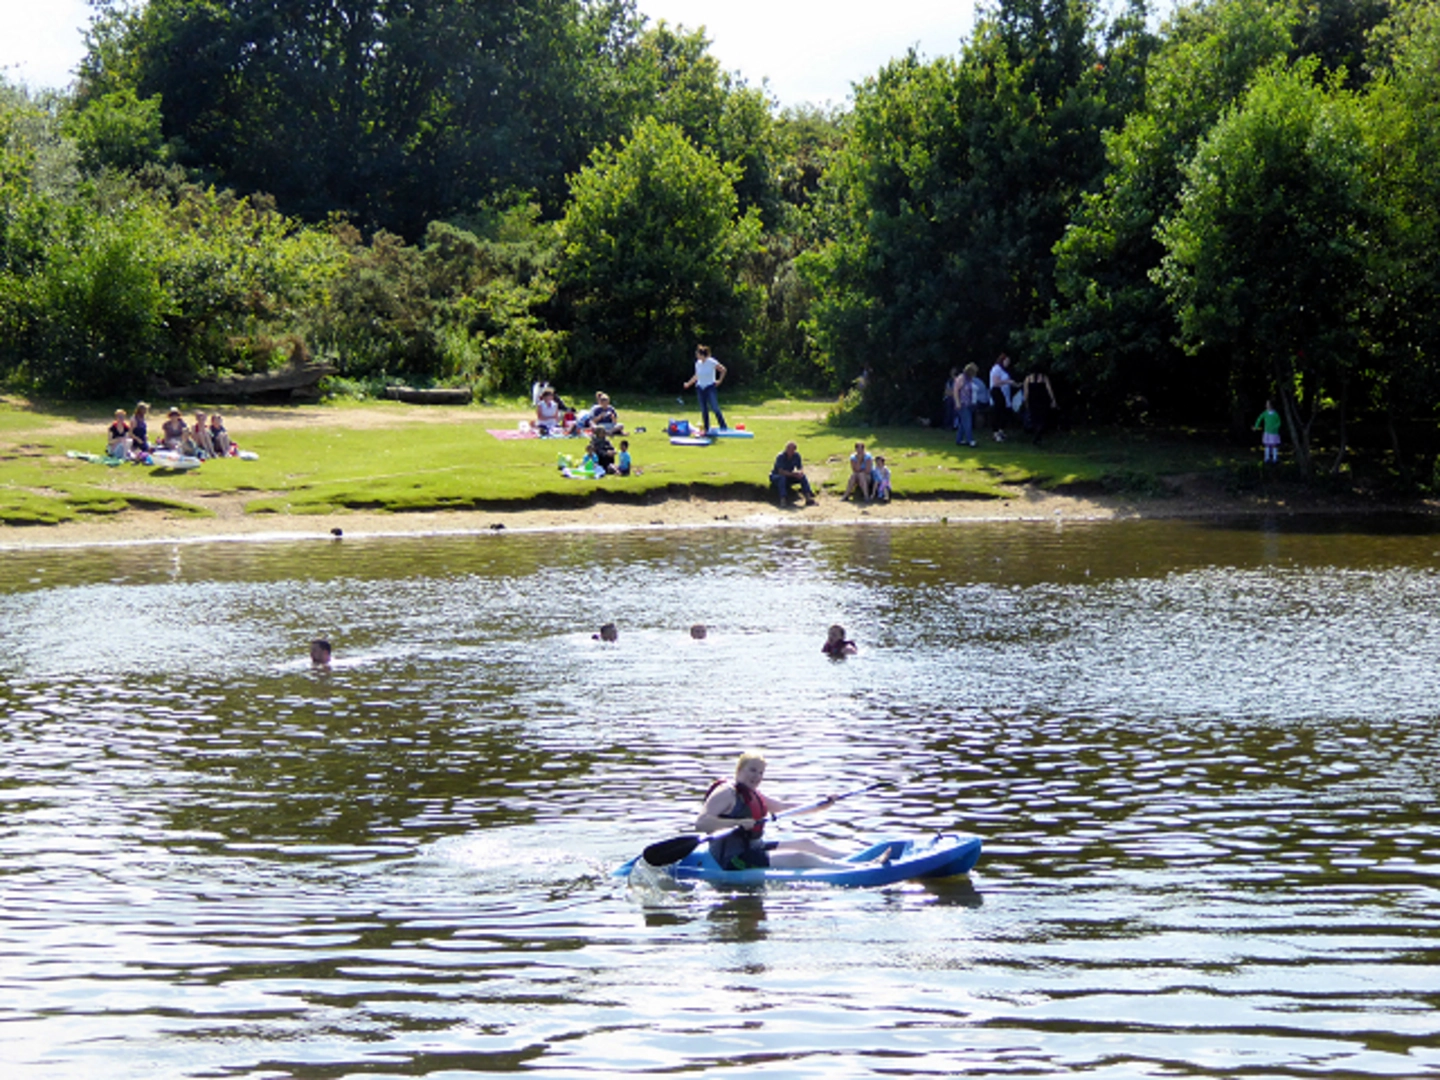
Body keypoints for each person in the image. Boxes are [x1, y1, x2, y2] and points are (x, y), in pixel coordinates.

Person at [697, 751, 850, 870]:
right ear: (739, 770)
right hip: (731, 859)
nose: (757, 776)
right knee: (799, 857)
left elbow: (784, 808)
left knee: (806, 843)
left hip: (754, 848)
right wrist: (737, 823)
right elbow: (701, 823)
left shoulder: (752, 794)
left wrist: (823, 805)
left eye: (761, 773)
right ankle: (849, 870)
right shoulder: (726, 792)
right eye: (752, 770)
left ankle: (853, 859)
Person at [682, 344, 728, 433]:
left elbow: (723, 370)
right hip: (700, 388)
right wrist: (688, 384)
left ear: (702, 354)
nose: (696, 355)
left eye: (697, 354)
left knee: (715, 407)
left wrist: (719, 381)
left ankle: (723, 426)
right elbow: (696, 376)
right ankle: (707, 428)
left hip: (710, 387)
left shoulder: (711, 362)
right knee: (704, 409)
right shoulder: (698, 364)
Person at [770, 441, 816, 507]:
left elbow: (800, 467)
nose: (789, 451)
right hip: (776, 476)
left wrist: (800, 473)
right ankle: (783, 499)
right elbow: (780, 472)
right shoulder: (780, 456)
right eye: (788, 448)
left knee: (803, 477)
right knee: (782, 478)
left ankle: (808, 497)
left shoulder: (796, 456)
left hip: (788, 476)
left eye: (791, 449)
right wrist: (793, 474)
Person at [1021, 370, 1059, 446]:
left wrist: (1026, 402)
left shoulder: (1028, 378)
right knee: (1042, 418)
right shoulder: (1044, 378)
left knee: (1034, 418)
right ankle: (1039, 434)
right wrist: (1053, 400)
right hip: (1042, 401)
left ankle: (1036, 435)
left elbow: (1026, 392)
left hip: (1032, 401)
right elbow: (1049, 389)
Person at [954, 363, 981, 447]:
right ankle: (970, 440)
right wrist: (957, 402)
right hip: (963, 404)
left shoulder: (970, 379)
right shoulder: (961, 378)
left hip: (970, 404)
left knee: (963, 423)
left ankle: (959, 440)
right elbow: (956, 391)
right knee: (968, 423)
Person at [989, 354, 1015, 442]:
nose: (1008, 363)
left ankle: (1001, 431)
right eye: (1006, 361)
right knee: (998, 411)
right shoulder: (996, 369)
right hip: (997, 391)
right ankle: (996, 432)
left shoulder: (1003, 370)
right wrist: (1008, 381)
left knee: (1003, 412)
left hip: (1004, 393)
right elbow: (996, 382)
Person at [1255, 399, 1282, 464]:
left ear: (1271, 405)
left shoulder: (1275, 414)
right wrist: (1256, 426)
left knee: (1274, 445)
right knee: (1267, 445)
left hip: (1274, 433)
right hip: (1267, 432)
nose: (1266, 406)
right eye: (1266, 404)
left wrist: (1275, 427)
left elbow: (1279, 422)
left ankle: (1275, 458)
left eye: (1268, 404)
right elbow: (1259, 418)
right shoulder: (1265, 413)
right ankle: (1267, 458)